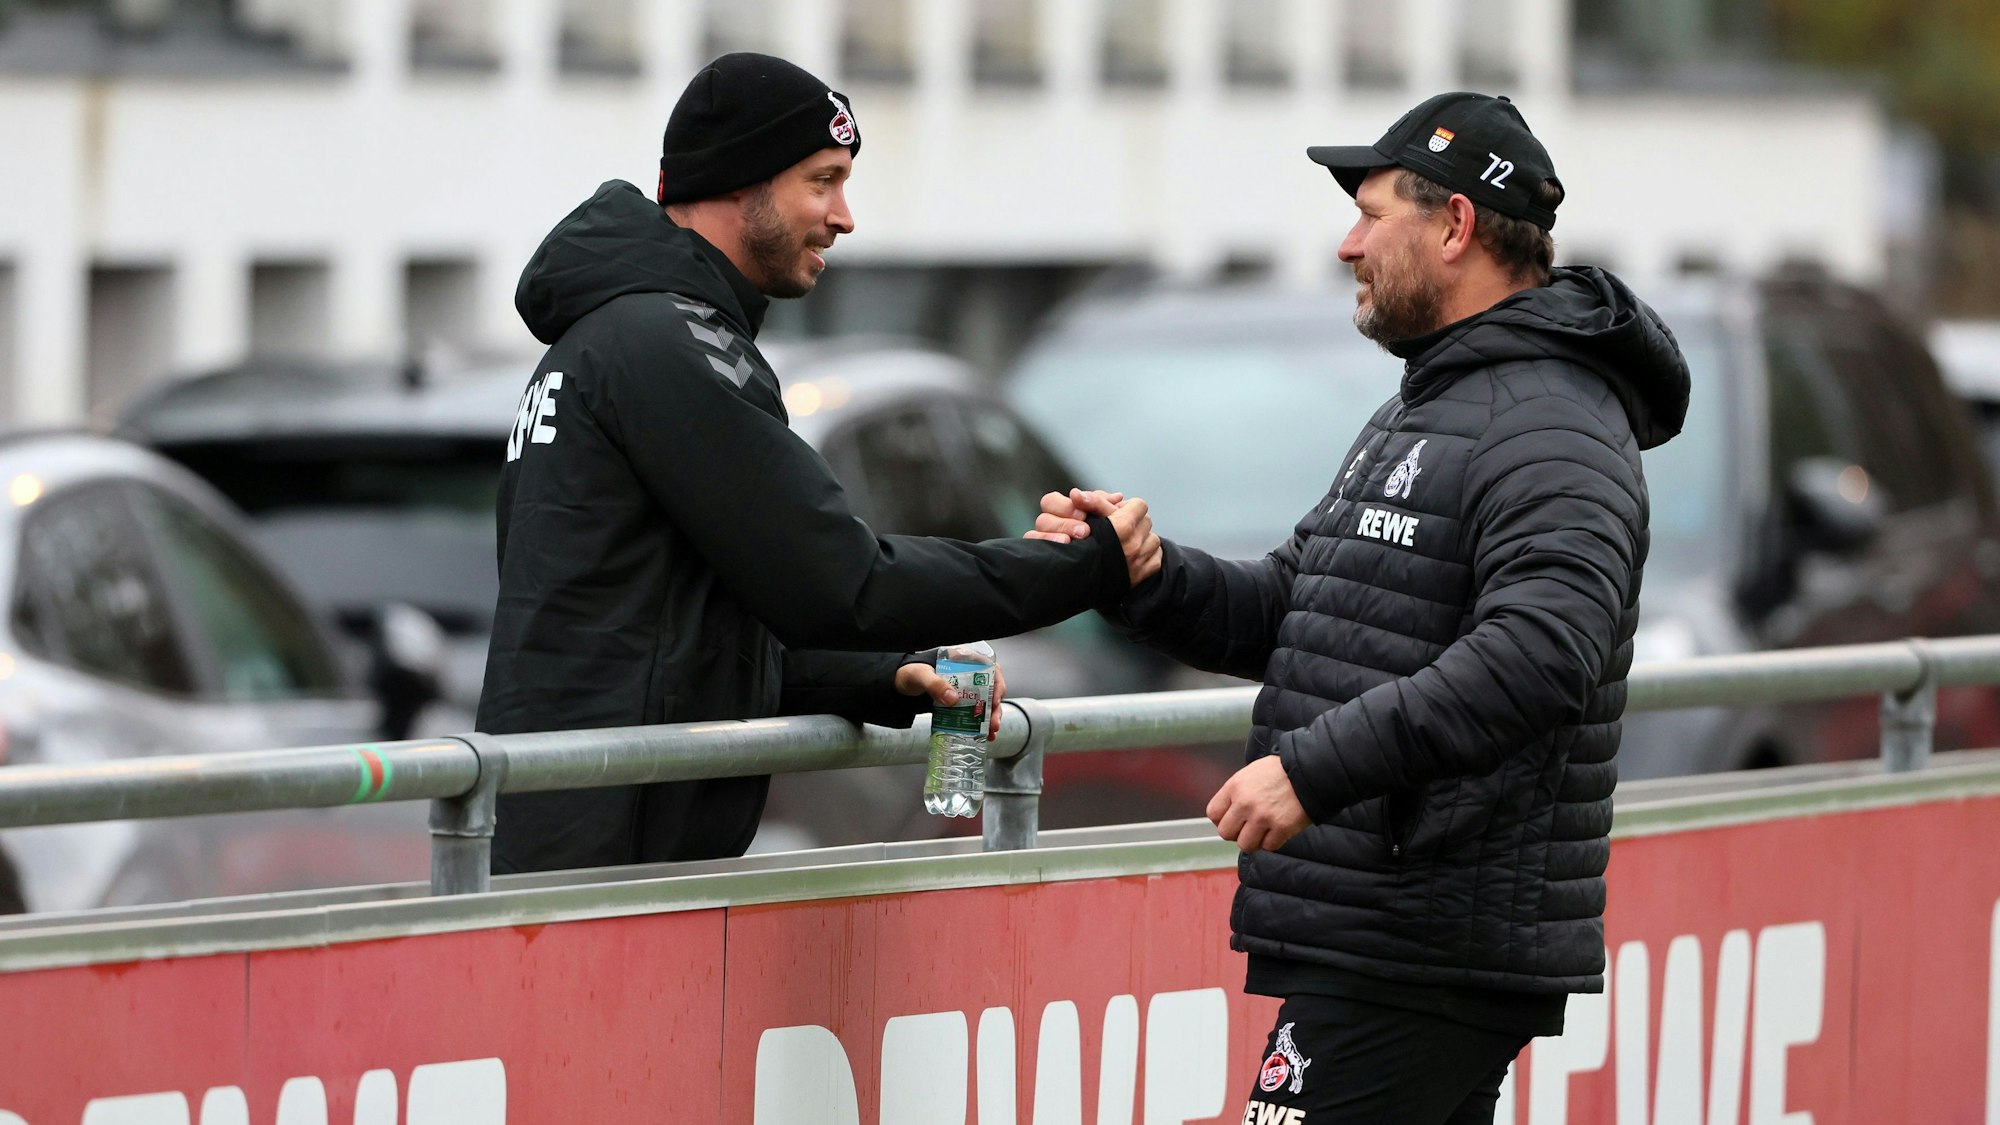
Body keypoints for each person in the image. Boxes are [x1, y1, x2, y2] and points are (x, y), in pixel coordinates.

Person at [1034, 92, 1689, 1122]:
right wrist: (1143, 577)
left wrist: (1311, 769)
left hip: (1421, 940)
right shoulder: (1437, 404)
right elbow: (1299, 611)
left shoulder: (1549, 420)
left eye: (1371, 212)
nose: (1346, 244)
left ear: (1455, 226)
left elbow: (1539, 653)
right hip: (1388, 934)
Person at [478, 53, 1155, 874]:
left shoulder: (622, 337)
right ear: (738, 183)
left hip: (598, 845)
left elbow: (671, 636)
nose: (844, 216)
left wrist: (884, 676)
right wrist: (1078, 565)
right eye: (822, 180)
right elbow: (845, 583)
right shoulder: (665, 345)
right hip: (605, 868)